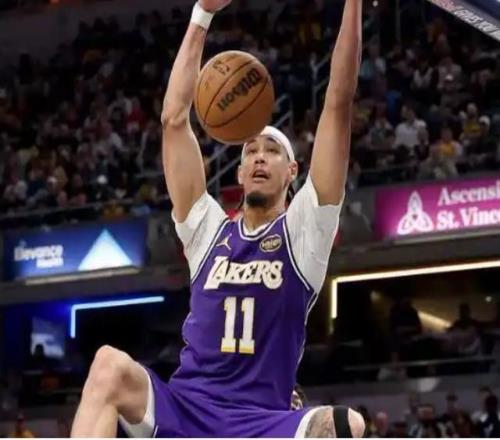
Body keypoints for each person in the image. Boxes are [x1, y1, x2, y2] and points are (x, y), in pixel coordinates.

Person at [70, 0, 365, 438]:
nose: (259, 157)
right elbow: (173, 120)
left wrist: (353, 4)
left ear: (292, 172)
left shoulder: (306, 231)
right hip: (188, 410)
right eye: (251, 151)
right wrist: (202, 15)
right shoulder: (208, 231)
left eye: (272, 151)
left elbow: (338, 102)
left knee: (345, 424)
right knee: (108, 365)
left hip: (259, 421)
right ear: (240, 172)